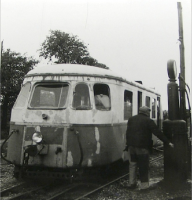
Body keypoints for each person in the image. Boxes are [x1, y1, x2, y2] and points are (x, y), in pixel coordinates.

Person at [124, 106, 174, 190]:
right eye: (149, 112)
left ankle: (131, 183)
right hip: (142, 147)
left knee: (133, 164)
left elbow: (128, 133)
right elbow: (157, 132)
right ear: (146, 112)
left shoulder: (131, 119)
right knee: (143, 165)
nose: (149, 113)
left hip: (131, 146)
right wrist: (168, 142)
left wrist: (127, 145)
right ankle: (144, 186)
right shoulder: (148, 120)